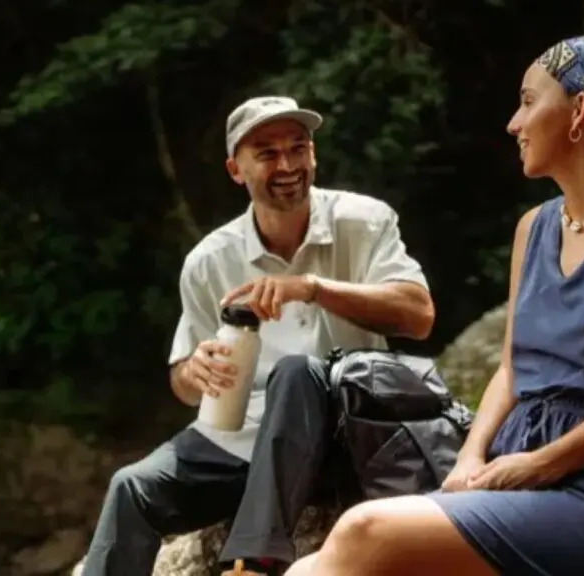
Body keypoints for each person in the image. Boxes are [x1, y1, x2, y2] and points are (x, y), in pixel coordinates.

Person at [284, 35, 584, 576]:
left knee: (364, 532)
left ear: (579, 111)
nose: (513, 122)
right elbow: (513, 367)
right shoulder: (534, 228)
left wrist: (537, 466)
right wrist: (469, 458)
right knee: (316, 564)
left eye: (529, 101)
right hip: (513, 469)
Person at [81, 95, 435, 576]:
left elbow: (418, 316)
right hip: (242, 440)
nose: (287, 164)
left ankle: (253, 561)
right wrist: (194, 371)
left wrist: (311, 289)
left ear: (313, 154)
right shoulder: (210, 260)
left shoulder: (364, 221)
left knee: (297, 371)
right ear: (235, 169)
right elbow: (183, 380)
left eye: (298, 147)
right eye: (267, 153)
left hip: (346, 435)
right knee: (131, 486)